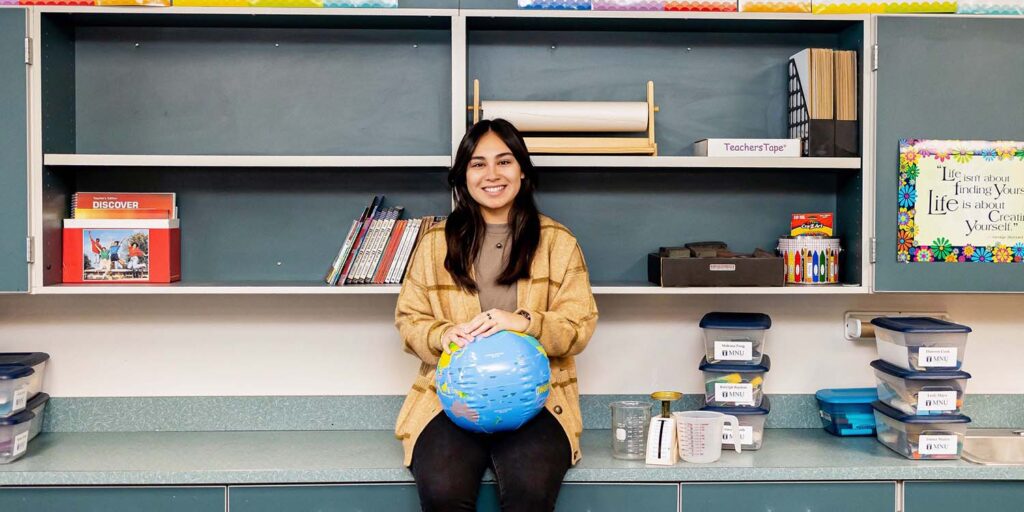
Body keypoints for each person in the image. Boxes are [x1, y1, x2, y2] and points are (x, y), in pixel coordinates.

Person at [394, 119, 599, 512]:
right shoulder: (434, 243)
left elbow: (580, 324)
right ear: (463, 176)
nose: (492, 175)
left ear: (522, 169)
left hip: (539, 402)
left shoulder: (558, 241)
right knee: (442, 493)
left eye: (504, 162)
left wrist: (524, 321)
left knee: (531, 493)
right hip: (449, 402)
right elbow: (409, 319)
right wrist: (444, 335)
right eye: (477, 164)